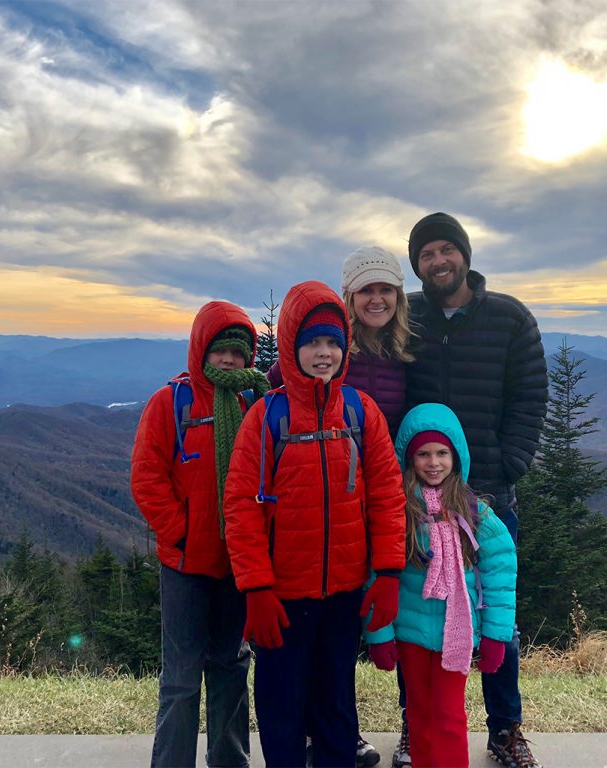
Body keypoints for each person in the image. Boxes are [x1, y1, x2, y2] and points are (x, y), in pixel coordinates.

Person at [223, 280, 407, 768]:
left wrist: (388, 573)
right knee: (282, 708)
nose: (323, 353)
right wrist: (256, 587)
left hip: (344, 591)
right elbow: (241, 507)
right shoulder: (267, 417)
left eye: (332, 342)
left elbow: (387, 497)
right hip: (282, 596)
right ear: (291, 346)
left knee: (336, 703)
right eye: (311, 342)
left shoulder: (359, 411)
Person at [404, 212, 548, 768]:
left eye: (446, 250)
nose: (438, 262)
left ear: (465, 253)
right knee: (419, 613)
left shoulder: (509, 318)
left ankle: (505, 728)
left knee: (497, 617)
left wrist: (508, 464)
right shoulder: (407, 317)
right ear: (416, 265)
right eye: (426, 255)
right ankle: (418, 727)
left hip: (486, 493)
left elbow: (529, 399)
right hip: (419, 499)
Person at [130, 300, 270, 768]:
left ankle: (230, 762)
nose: (229, 361)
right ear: (200, 351)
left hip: (238, 565)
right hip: (186, 567)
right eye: (219, 351)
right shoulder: (171, 403)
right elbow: (147, 477)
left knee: (231, 670)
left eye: (237, 352)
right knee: (182, 679)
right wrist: (183, 533)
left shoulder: (253, 402)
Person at [365, 403, 517, 768]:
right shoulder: (397, 512)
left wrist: (497, 636)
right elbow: (378, 574)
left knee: (449, 716)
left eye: (442, 453)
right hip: (411, 633)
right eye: (423, 454)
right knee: (418, 712)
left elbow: (500, 577)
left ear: (457, 456)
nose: (433, 462)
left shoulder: (474, 512)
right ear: (408, 458)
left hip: (457, 635)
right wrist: (379, 634)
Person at [268, 245, 412, 437]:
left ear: (398, 296)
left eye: (386, 289)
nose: (377, 300)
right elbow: (269, 388)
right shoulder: (329, 349)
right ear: (350, 297)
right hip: (333, 462)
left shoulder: (407, 350)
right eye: (366, 290)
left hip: (388, 463)